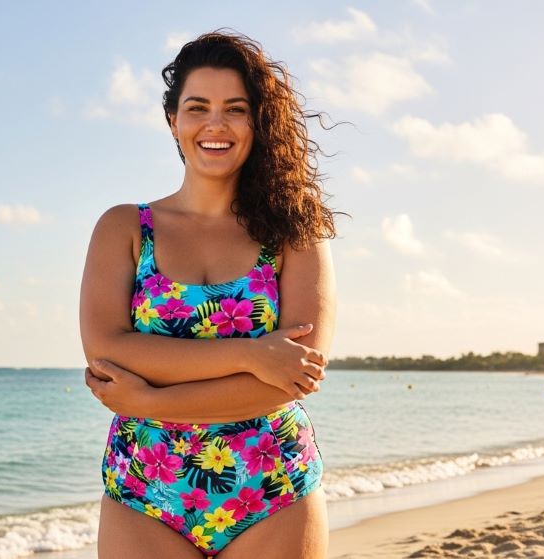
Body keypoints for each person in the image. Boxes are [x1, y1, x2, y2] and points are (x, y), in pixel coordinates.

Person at [80, 30, 339, 559]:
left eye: (235, 109)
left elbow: (290, 379)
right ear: (174, 121)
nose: (215, 124)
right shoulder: (125, 227)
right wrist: (249, 354)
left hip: (273, 487)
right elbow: (107, 350)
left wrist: (151, 399)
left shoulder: (295, 232)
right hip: (144, 491)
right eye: (198, 107)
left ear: (256, 122)